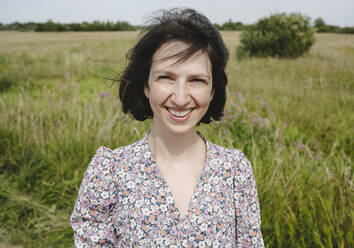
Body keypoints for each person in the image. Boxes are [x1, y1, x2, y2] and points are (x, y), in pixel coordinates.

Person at [70, 8, 264, 247]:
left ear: (213, 91)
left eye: (197, 80)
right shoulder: (108, 173)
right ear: (146, 86)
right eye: (166, 78)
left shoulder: (235, 172)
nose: (181, 98)